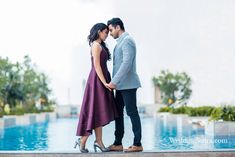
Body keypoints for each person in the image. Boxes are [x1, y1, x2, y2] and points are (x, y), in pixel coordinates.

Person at [75, 23, 118, 153]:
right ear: (99, 32)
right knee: (94, 111)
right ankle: (83, 140)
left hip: (100, 80)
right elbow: (97, 66)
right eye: (106, 32)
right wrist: (104, 82)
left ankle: (97, 141)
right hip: (97, 81)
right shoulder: (95, 45)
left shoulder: (100, 45)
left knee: (98, 111)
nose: (107, 35)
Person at [106, 18, 143, 152]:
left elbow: (126, 63)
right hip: (121, 85)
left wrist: (113, 81)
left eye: (110, 30)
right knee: (118, 114)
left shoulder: (127, 41)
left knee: (132, 112)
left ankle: (137, 143)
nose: (110, 33)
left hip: (128, 84)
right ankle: (118, 143)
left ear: (117, 27)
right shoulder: (120, 42)